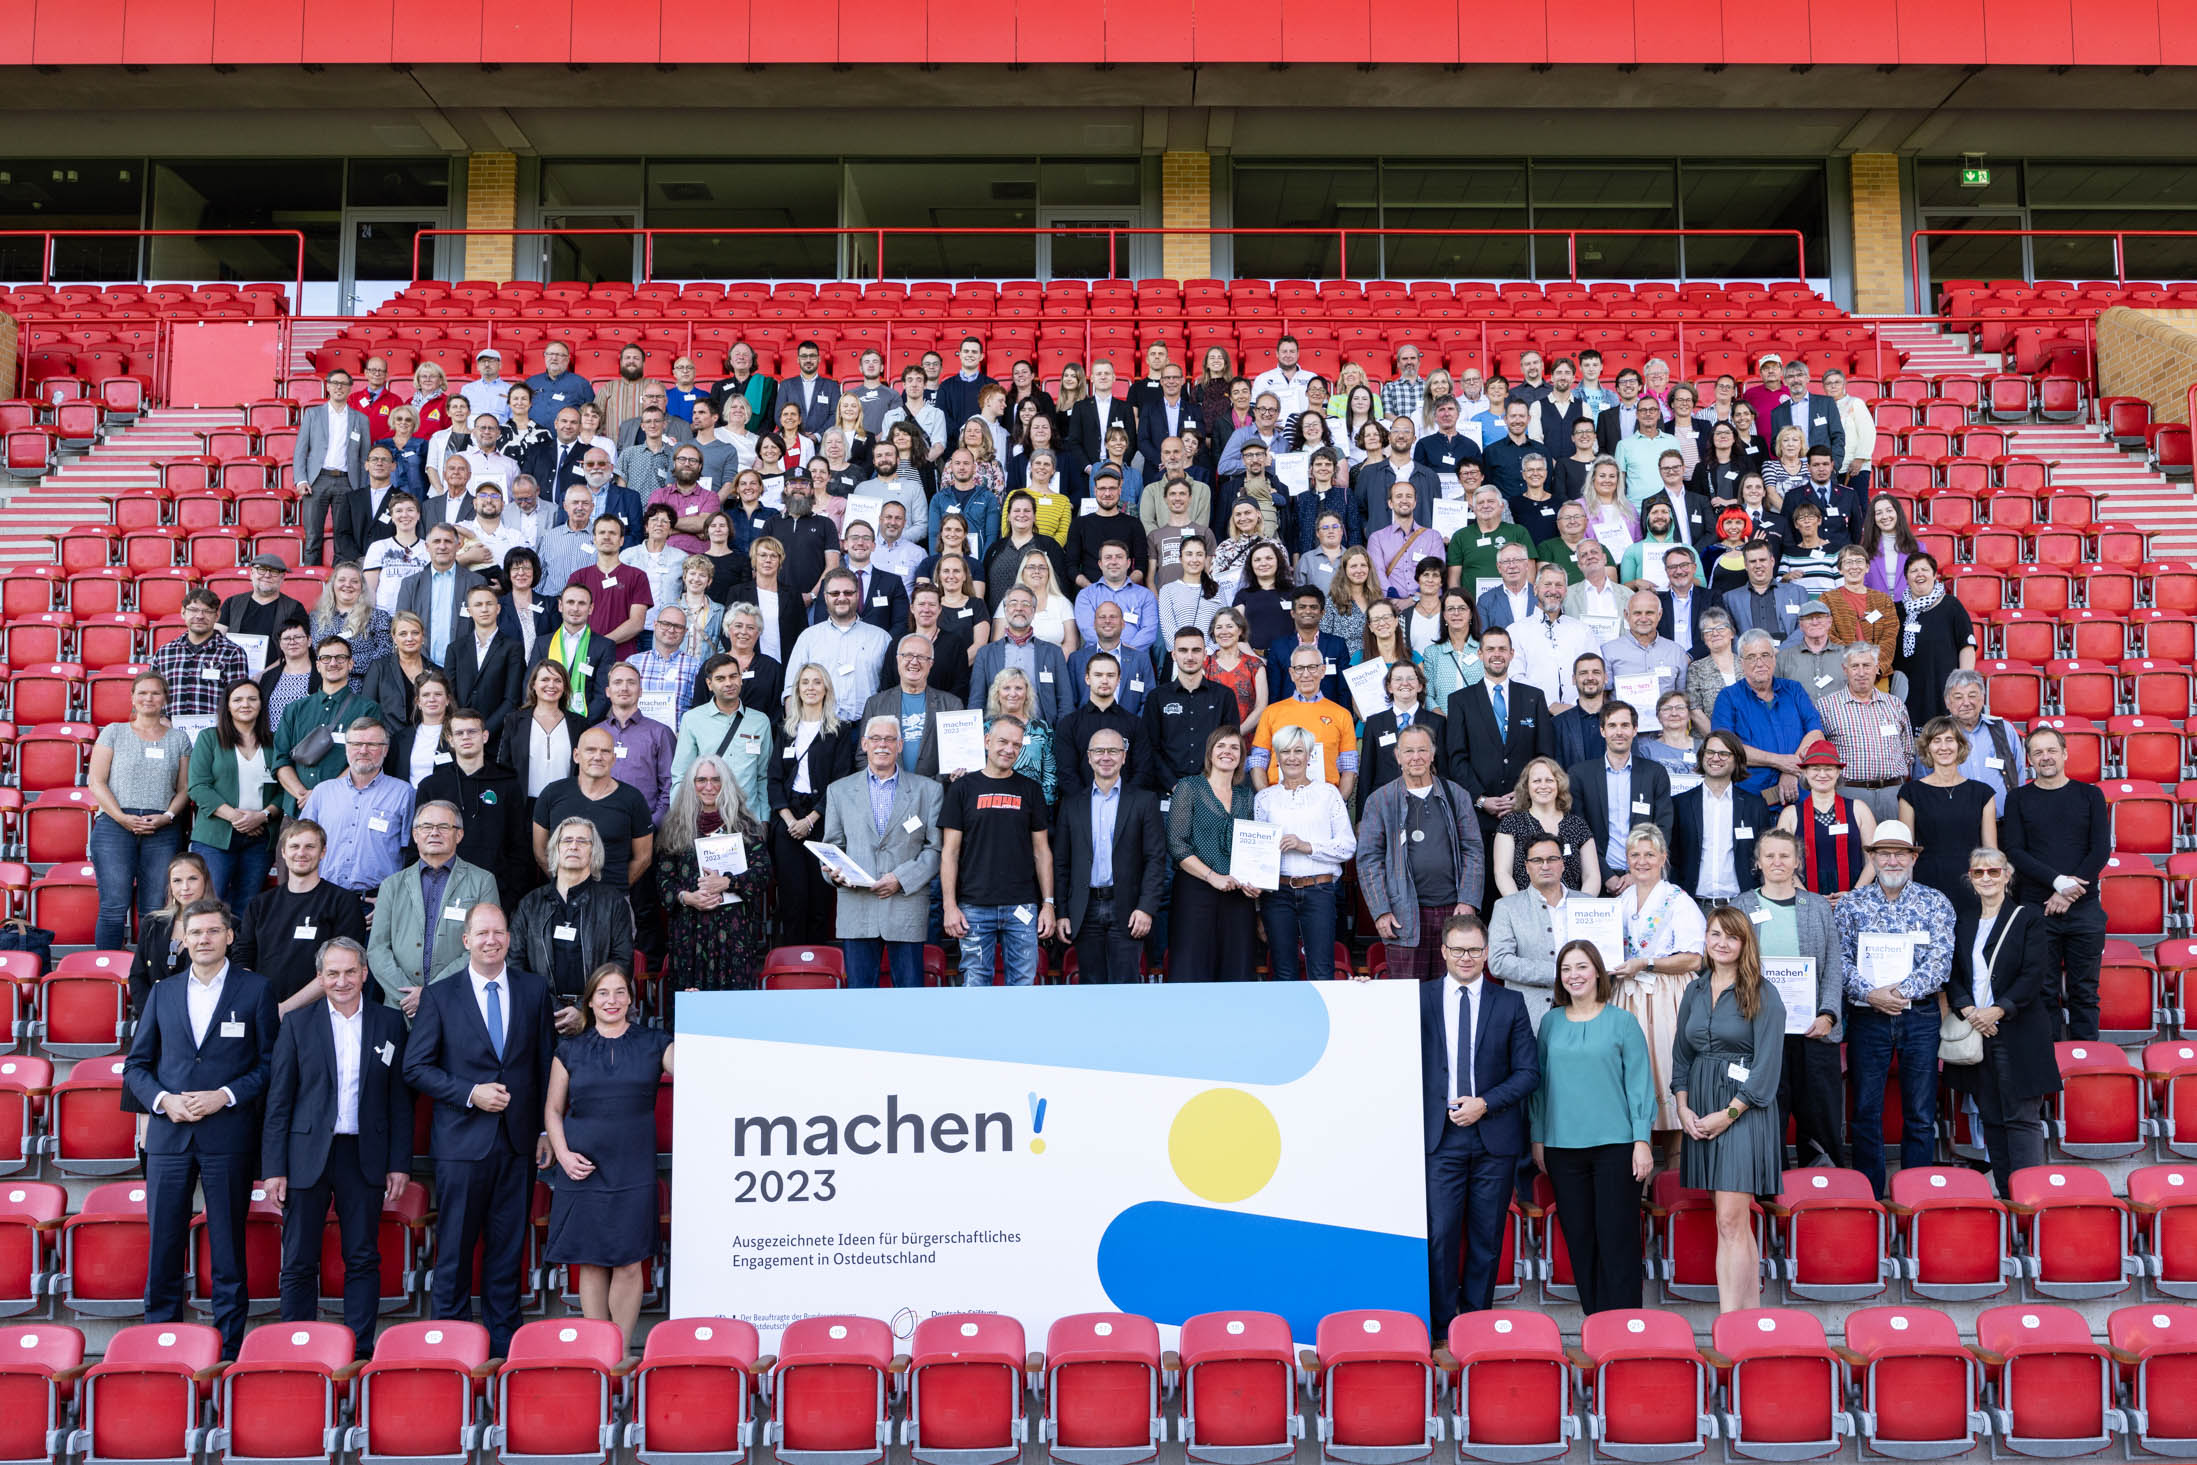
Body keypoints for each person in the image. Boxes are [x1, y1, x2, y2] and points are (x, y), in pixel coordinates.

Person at [124, 896, 277, 1357]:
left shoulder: (256, 991)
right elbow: (136, 1066)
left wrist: (223, 1096)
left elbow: (270, 1065)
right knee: (164, 1243)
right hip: (169, 1136)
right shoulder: (164, 992)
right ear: (182, 940)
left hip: (226, 1134)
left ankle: (228, 1349)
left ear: (229, 936)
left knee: (228, 1246)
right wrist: (163, 1100)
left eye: (213, 931)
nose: (204, 939)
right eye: (195, 933)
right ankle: (160, 1346)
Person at [403, 904, 554, 1356]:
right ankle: (448, 1352)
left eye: (499, 932)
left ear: (509, 937)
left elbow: (546, 1063)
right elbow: (416, 1067)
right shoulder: (440, 995)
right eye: (482, 933)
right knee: (453, 1251)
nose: (492, 940)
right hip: (461, 1144)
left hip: (517, 1142)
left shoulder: (533, 989)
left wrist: (547, 1130)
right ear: (465, 940)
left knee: (507, 1253)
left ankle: (504, 1353)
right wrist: (471, 1092)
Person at [260, 935, 410, 1356]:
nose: (342, 981)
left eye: (350, 972)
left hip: (364, 1155)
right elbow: (279, 1101)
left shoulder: (389, 1023)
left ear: (364, 974)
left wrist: (399, 1162)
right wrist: (274, 1167)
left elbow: (399, 1100)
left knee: (362, 1256)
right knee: (299, 1260)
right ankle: (299, 1349)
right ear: (320, 977)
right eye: (333, 973)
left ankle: (359, 1350)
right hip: (305, 1156)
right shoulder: (297, 1024)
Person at [543, 963, 673, 1349]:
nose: (611, 1000)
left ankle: (619, 1351)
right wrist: (563, 1155)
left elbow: (695, 1066)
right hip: (582, 1167)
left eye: (619, 992)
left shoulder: (654, 1042)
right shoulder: (570, 1047)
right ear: (590, 1001)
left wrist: (701, 1019)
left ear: (631, 998)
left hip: (633, 1168)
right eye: (603, 993)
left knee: (630, 1261)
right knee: (591, 1260)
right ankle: (597, 1352)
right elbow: (553, 1109)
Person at [1421, 914, 1538, 1330]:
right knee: (1441, 1237)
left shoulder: (1509, 1003)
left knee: (1487, 1241)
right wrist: (1365, 995)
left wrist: (1485, 1104)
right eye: (1458, 949)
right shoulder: (1419, 999)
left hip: (1494, 1139)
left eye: (1474, 950)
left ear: (1486, 952)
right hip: (1440, 1137)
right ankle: (1438, 1328)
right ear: (1443, 952)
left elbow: (1528, 1073)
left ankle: (1473, 1326)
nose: (1466, 957)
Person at [1670, 907, 1785, 1314]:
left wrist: (1729, 1114)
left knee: (1731, 1220)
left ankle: (1730, 1321)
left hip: (1744, 1112)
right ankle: (1748, 1316)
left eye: (1731, 936)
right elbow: (1681, 1058)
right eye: (1715, 934)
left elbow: (1768, 1067)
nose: (1721, 942)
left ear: (1744, 944)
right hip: (1700, 1108)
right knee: (1731, 1222)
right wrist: (1683, 1108)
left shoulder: (1763, 993)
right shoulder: (1695, 991)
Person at [1530, 939, 1654, 1315]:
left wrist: (1642, 1140)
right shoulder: (1549, 1023)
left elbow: (1639, 1083)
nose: (1574, 976)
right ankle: (1596, 1322)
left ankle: (1626, 1324)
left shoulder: (1623, 1022)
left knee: (1617, 1239)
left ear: (1598, 972)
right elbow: (1539, 1085)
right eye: (1566, 969)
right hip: (1563, 1148)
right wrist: (1538, 1137)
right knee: (1580, 1239)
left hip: (1617, 1147)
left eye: (1581, 967)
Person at [1837, 820, 1958, 1196]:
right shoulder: (1852, 904)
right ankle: (1869, 1195)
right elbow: (1838, 959)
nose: (1892, 860)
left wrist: (1899, 992)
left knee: (1920, 1114)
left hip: (1919, 1015)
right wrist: (1871, 994)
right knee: (1864, 1113)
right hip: (1866, 1016)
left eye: (1900, 853)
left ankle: (1916, 1195)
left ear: (1912, 858)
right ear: (1871, 858)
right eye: (1883, 853)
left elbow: (1941, 961)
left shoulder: (1935, 902)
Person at [1951, 847, 2063, 1197]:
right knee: (1993, 1119)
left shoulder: (2028, 916)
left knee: (2022, 1119)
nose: (1986, 878)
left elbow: (2034, 974)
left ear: (2007, 875)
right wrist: (1969, 1010)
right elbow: (1954, 975)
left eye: (1993, 872)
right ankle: (2006, 1197)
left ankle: (2030, 1202)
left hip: (2019, 1032)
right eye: (1978, 872)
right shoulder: (1964, 919)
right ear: (1970, 878)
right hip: (1977, 1032)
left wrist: (1997, 1010)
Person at [1733, 828, 1846, 1168]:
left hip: (1813, 1031)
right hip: (1761, 1033)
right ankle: (1774, 1200)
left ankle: (1824, 1195)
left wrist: (1828, 1015)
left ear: (1798, 861)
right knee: (1768, 1118)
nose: (1777, 862)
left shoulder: (1817, 906)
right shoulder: (1742, 906)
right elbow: (1731, 968)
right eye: (1769, 856)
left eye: (1785, 855)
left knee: (1820, 1120)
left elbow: (1833, 967)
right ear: (1758, 862)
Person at [2001, 725, 2112, 1039]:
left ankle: (2085, 1066)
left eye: (2051, 750)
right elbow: (2015, 851)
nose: (2045, 757)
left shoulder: (2090, 794)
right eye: (2038, 752)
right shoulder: (2018, 799)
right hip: (2037, 910)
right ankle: (2048, 1067)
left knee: (2085, 993)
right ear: (2029, 760)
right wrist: (2058, 882)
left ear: (2064, 754)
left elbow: (2100, 850)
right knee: (2042, 992)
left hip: (2085, 910)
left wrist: (2067, 892)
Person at [815, 718, 942, 990]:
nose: (882, 744)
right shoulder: (839, 791)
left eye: (889, 739)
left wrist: (901, 878)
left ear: (900, 745)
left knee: (910, 1000)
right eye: (875, 738)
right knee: (860, 1001)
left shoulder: (928, 791)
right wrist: (834, 876)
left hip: (905, 907)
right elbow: (832, 847)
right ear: (864, 744)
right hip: (857, 910)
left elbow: (935, 848)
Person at [1358, 725, 1487, 981]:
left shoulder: (1456, 795)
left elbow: (1473, 850)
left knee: (1449, 993)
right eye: (1408, 751)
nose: (1415, 757)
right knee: (1407, 999)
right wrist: (1381, 910)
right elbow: (1368, 860)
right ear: (1397, 756)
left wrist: (1468, 900)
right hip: (1403, 915)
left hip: (1453, 911)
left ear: (1433, 753)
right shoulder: (1380, 800)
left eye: (1422, 750)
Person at [1610, 825, 1706, 1148]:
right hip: (1626, 995)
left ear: (1663, 857)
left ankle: (1672, 1180)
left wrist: (1648, 963)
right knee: (1633, 1079)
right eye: (1635, 855)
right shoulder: (1619, 901)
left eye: (1650, 854)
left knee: (1667, 1075)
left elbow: (1694, 959)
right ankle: (1642, 1183)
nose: (1642, 861)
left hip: (1667, 998)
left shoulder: (1679, 900)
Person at [941, 714, 1055, 985]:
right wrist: (949, 906)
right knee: (976, 986)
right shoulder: (962, 789)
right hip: (974, 906)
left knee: (1024, 985)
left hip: (1022, 905)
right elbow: (949, 853)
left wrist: (1048, 904)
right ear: (987, 741)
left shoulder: (1031, 790)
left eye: (1016, 745)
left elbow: (1042, 852)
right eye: (1003, 741)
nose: (1009, 749)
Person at [89, 671, 195, 949]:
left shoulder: (179, 739)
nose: (149, 698)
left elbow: (184, 788)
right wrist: (122, 818)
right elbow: (96, 781)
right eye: (143, 693)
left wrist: (167, 817)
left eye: (156, 693)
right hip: (115, 825)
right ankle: (108, 972)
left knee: (154, 910)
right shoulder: (113, 732)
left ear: (165, 700)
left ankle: (149, 974)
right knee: (113, 906)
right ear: (133, 698)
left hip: (162, 829)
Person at [1054, 729, 1167, 985]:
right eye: (1099, 751)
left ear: (1124, 757)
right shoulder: (1072, 804)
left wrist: (1146, 908)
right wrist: (1062, 911)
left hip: (1127, 909)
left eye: (1113, 751)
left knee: (1126, 986)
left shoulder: (1144, 801)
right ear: (1089, 757)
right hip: (1085, 910)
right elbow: (1061, 864)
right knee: (1090, 988)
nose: (1106, 757)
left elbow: (1155, 859)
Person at [655, 758, 774, 999]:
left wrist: (728, 882)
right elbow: (663, 879)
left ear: (726, 783)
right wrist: (687, 897)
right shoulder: (676, 826)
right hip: (689, 933)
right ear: (691, 784)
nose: (708, 786)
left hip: (734, 932)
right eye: (701, 780)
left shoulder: (745, 825)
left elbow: (763, 873)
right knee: (691, 1004)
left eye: (715, 780)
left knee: (734, 1006)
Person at [366, 800, 499, 1012]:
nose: (434, 833)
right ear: (415, 835)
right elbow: (377, 949)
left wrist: (430, 996)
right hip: (400, 1007)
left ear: (459, 835)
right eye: (426, 827)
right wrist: (408, 996)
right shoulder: (391, 885)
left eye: (444, 827)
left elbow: (484, 946)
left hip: (457, 1005)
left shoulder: (483, 881)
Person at [1249, 725, 1355, 982]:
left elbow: (1348, 846)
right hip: (1278, 893)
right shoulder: (1264, 798)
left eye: (1299, 751)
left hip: (1319, 890)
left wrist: (1306, 846)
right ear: (1276, 757)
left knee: (1321, 969)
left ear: (1309, 756)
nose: (1292, 757)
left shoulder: (1328, 793)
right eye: (1285, 751)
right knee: (1282, 970)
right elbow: (1258, 855)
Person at [233, 820, 370, 1009]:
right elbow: (242, 956)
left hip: (319, 1013)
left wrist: (284, 1009)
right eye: (294, 846)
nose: (301, 853)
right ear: (283, 852)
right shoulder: (260, 904)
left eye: (310, 846)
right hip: (264, 1010)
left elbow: (342, 967)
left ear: (323, 852)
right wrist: (262, 1004)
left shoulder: (343, 902)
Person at [1165, 727, 1261, 983]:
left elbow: (1254, 850)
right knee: (1191, 968)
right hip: (1195, 893)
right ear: (1210, 752)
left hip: (1238, 896)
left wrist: (1256, 883)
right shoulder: (1189, 787)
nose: (1227, 752)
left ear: (1242, 757)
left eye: (1234, 748)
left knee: (1237, 970)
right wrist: (1212, 877)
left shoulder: (1246, 796)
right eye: (1221, 746)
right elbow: (1177, 844)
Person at [1442, 627, 1554, 841]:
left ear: (1512, 654)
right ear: (1480, 654)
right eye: (1490, 648)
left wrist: (1523, 794)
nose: (1497, 654)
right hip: (1478, 817)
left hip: (1527, 812)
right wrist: (1481, 799)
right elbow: (1456, 758)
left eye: (1503, 649)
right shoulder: (1460, 701)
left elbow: (1544, 757)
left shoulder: (1534, 697)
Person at [185, 677, 278, 916]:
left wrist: (262, 816)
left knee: (247, 905)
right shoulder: (209, 738)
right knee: (209, 903)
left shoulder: (275, 742)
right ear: (227, 705)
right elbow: (198, 787)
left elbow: (284, 790)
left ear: (261, 704)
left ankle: (238, 954)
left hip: (259, 838)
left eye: (251, 699)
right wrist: (239, 818)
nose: (244, 704)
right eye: (237, 699)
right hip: (215, 837)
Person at [532, 728, 656, 899]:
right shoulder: (552, 794)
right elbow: (540, 851)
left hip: (614, 903)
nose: (598, 756)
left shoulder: (633, 799)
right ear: (576, 755)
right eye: (590, 750)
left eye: (605, 751)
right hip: (563, 898)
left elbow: (643, 858)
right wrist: (563, 883)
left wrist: (614, 893)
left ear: (613, 759)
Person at [1713, 629, 1825, 811]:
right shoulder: (1728, 697)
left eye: (1765, 655)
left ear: (1774, 658)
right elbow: (1726, 748)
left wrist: (1791, 770)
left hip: (1799, 796)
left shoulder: (1794, 690)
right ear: (1741, 663)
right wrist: (1779, 762)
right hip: (1751, 800)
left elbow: (1816, 733)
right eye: (1751, 657)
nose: (1760, 663)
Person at [1568, 701, 1674, 892]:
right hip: (1596, 881)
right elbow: (1578, 830)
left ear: (1635, 730)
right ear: (1602, 731)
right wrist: (1605, 876)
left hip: (1644, 878)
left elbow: (1663, 828)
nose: (1619, 732)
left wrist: (1636, 873)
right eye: (1612, 725)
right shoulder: (1579, 775)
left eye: (1625, 725)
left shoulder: (1655, 774)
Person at [1901, 716, 2000, 921]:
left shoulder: (1982, 793)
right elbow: (1906, 850)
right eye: (1936, 741)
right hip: (1927, 882)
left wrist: (1993, 894)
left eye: (1949, 740)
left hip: (1971, 883)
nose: (1943, 747)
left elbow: (1990, 851)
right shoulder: (1911, 792)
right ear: (1927, 748)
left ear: (1960, 745)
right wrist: (1907, 896)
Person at [299, 719, 414, 895]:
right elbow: (303, 845)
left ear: (385, 750)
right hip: (325, 895)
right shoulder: (322, 792)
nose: (363, 751)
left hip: (377, 899)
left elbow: (411, 855)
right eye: (356, 744)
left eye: (372, 745)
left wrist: (391, 899)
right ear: (346, 748)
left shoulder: (404, 793)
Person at [1487, 833, 1578, 1027]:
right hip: (1530, 1015)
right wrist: (1557, 972)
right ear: (1527, 867)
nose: (1545, 866)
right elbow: (1499, 962)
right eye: (1537, 860)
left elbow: (1606, 957)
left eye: (1552, 859)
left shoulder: (1589, 903)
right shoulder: (1507, 907)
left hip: (1584, 1010)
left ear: (1563, 863)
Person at [1817, 644, 1913, 822]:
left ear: (1877, 668)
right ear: (1845, 670)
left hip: (1893, 794)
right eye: (1855, 666)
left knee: (1895, 847)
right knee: (1853, 849)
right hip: (1849, 792)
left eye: (1867, 665)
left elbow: (1908, 750)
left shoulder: (1895, 704)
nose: (1861, 672)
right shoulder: (1826, 706)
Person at [1668, 731, 1766, 905]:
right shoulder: (1679, 804)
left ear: (1736, 760)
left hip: (1741, 905)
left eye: (1724, 754)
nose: (1715, 758)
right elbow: (1671, 858)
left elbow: (1764, 857)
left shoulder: (1755, 806)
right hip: (1692, 905)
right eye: (1710, 752)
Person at [1776, 743, 1878, 899]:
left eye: (1828, 768)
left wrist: (1853, 895)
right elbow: (1782, 863)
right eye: (1815, 768)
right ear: (1805, 772)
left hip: (1854, 899)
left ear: (1838, 772)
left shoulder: (1859, 809)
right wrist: (1809, 899)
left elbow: (1874, 859)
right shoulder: (1790, 815)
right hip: (1805, 901)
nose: (1822, 774)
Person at [1894, 554, 1977, 727]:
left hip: (1942, 686)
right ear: (1907, 578)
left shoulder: (1951, 605)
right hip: (1908, 690)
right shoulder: (1897, 610)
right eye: (1913, 571)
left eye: (1924, 569)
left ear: (1934, 575)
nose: (1919, 574)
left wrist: (1963, 683)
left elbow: (1967, 647)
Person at [1937, 669, 2027, 814]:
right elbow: (1923, 778)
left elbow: (2019, 772)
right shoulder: (1937, 733)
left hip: (2003, 820)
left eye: (1972, 695)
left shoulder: (2004, 729)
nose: (1966, 703)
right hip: (1954, 820)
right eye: (1958, 697)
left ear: (1982, 698)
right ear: (1948, 702)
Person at [150, 586, 253, 713]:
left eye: (207, 611)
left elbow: (239, 700)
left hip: (214, 732)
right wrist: (160, 719)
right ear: (183, 612)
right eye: (193, 610)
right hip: (170, 731)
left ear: (217, 616)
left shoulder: (233, 653)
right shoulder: (164, 653)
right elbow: (152, 695)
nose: (200, 616)